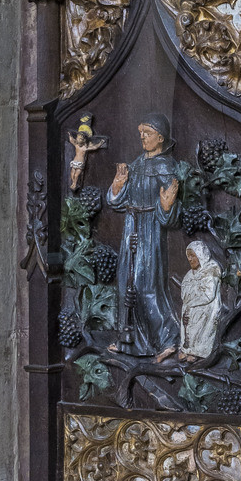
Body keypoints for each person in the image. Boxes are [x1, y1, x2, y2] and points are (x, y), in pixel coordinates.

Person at [92, 113, 181, 356]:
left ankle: (167, 341)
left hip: (150, 230)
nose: (142, 136)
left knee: (146, 286)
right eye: (140, 132)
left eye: (148, 132)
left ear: (160, 138)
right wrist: (118, 187)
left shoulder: (166, 166)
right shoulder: (138, 163)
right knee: (125, 284)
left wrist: (166, 206)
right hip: (131, 228)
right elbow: (117, 203)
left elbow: (170, 215)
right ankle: (128, 341)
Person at [175, 240, 225, 362]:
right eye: (189, 256)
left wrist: (193, 296)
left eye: (193, 256)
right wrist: (192, 296)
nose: (190, 259)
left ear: (201, 255)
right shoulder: (189, 274)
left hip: (207, 305)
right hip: (192, 303)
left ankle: (199, 351)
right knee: (186, 315)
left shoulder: (211, 270)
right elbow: (184, 292)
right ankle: (187, 348)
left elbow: (208, 295)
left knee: (199, 315)